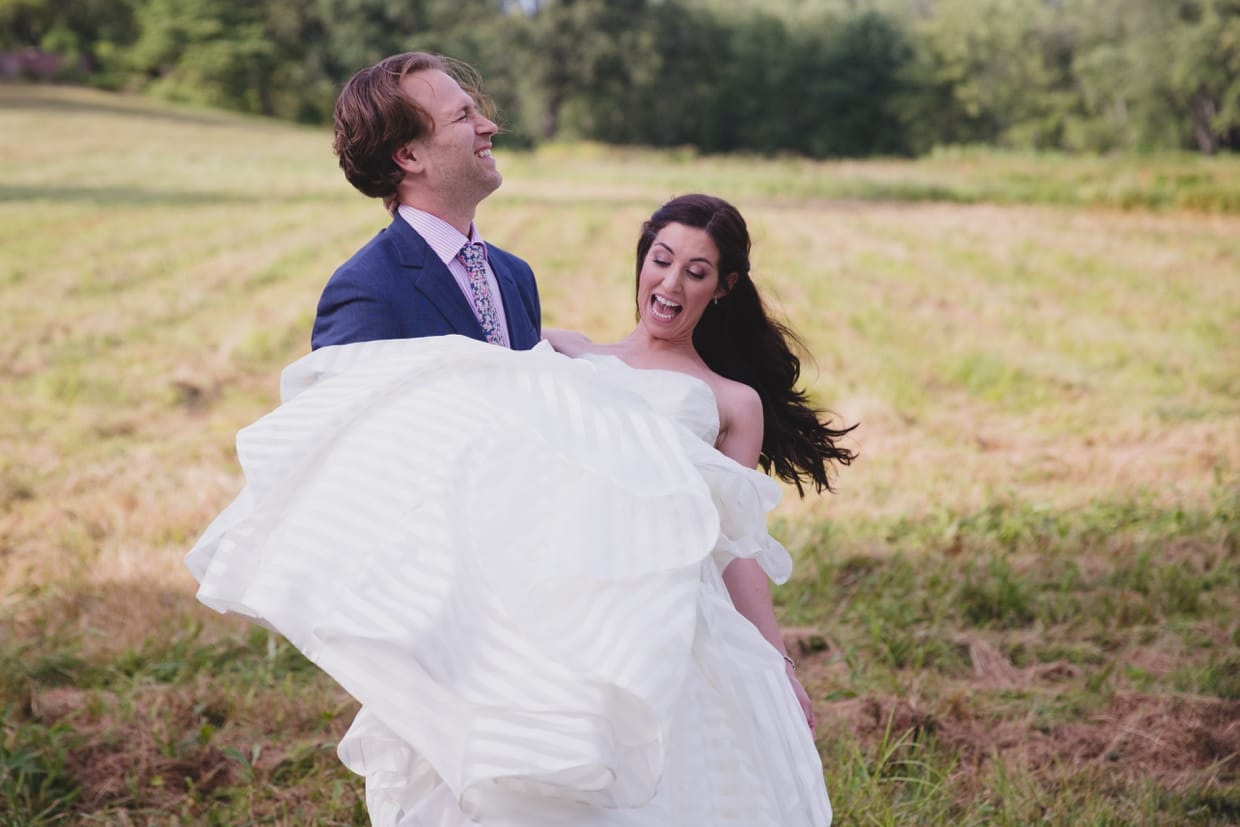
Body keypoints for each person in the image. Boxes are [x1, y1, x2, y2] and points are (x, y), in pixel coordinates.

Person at [186, 194, 854, 826]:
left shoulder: (733, 401)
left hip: (674, 615)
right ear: (642, 260)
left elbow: (735, 544)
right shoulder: (564, 355)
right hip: (562, 602)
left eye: (696, 271)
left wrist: (778, 662)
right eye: (662, 259)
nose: (671, 284)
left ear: (724, 287)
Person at [312, 51, 541, 350]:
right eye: (463, 116)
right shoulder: (365, 292)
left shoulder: (517, 276)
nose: (489, 126)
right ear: (408, 156)